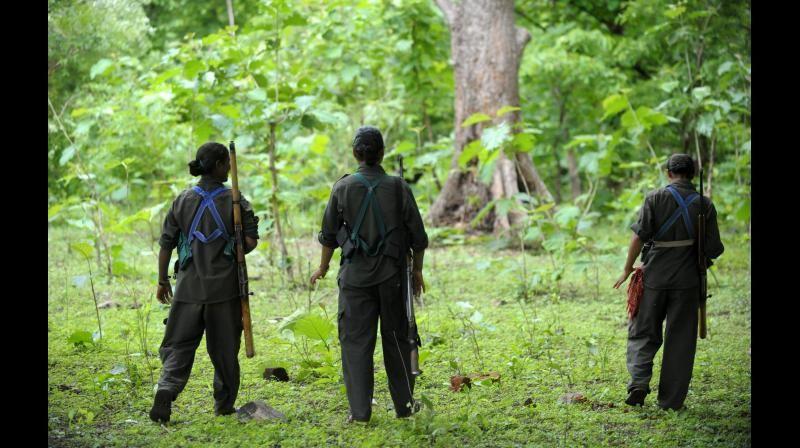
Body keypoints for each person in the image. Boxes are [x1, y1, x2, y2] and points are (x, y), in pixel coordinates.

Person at [310, 126, 428, 422]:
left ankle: (360, 413)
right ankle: (405, 407)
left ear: (355, 154)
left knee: (355, 344)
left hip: (355, 280)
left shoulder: (342, 187)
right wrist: (417, 272)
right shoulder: (399, 187)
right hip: (393, 278)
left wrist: (322, 268)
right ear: (382, 153)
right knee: (400, 341)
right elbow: (418, 237)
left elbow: (328, 235)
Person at [150, 142, 259, 423]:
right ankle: (223, 405)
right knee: (224, 351)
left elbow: (165, 244)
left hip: (187, 289)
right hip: (224, 291)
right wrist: (234, 242)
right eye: (227, 164)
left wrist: (163, 280)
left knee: (178, 346)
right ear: (221, 165)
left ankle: (166, 390)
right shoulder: (236, 200)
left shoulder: (182, 200)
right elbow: (249, 241)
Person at [613, 153, 724, 410]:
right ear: (693, 175)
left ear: (668, 173)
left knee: (642, 331)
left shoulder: (654, 198)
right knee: (681, 340)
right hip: (688, 281)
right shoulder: (704, 204)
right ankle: (671, 401)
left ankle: (639, 383)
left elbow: (637, 238)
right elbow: (714, 248)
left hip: (654, 278)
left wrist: (628, 269)